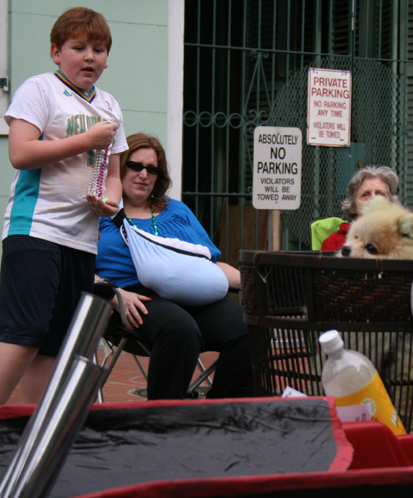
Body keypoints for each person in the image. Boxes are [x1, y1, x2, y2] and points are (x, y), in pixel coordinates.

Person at [0, 8, 125, 404]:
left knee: (55, 345)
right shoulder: (39, 89)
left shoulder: (110, 107)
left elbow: (114, 175)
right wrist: (86, 140)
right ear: (56, 52)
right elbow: (20, 153)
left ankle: (38, 440)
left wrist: (112, 202)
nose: (90, 56)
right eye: (78, 47)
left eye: (99, 49)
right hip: (35, 230)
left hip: (81, 241)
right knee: (24, 334)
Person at [95, 133, 253, 400]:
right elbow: (77, 265)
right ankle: (166, 416)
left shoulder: (177, 211)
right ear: (119, 168)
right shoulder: (99, 212)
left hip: (189, 294)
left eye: (152, 169)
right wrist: (112, 293)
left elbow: (209, 264)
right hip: (130, 297)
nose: (144, 174)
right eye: (135, 166)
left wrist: (255, 285)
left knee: (248, 325)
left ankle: (223, 411)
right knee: (179, 328)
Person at [317, 166, 400, 251]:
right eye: (365, 195)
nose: (374, 200)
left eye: (381, 194)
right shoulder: (333, 243)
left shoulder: (402, 241)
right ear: (353, 207)